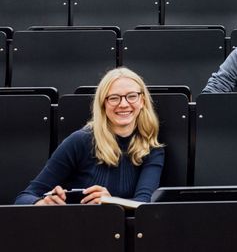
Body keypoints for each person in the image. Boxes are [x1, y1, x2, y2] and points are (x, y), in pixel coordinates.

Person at [16, 67, 164, 205]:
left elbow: (143, 205)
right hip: (78, 226)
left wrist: (110, 202)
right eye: (113, 98)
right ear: (103, 104)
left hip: (125, 231)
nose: (124, 104)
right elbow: (24, 198)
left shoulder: (151, 148)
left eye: (132, 96)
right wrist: (41, 203)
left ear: (142, 101)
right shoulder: (79, 141)